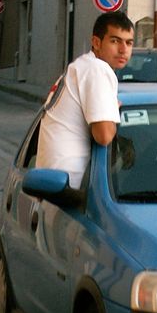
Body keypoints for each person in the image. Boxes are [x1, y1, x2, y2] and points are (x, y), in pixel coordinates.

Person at [37, 11, 135, 188]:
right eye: (115, 41)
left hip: (54, 181)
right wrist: (113, 111)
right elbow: (104, 136)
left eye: (128, 43)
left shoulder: (81, 66)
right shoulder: (97, 69)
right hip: (70, 186)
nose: (123, 50)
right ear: (96, 42)